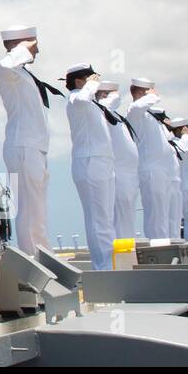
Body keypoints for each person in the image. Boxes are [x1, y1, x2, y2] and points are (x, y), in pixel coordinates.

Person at [0, 25, 59, 255]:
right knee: (30, 209)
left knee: (37, 209)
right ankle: (36, 260)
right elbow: (4, 65)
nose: (37, 51)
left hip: (34, 147)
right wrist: (23, 48)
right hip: (23, 145)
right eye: (34, 45)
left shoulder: (23, 74)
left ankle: (41, 257)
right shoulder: (8, 72)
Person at [63, 63, 116, 270]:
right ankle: (103, 268)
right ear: (79, 80)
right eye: (91, 77)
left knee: (106, 218)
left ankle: (109, 265)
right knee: (98, 219)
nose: (96, 81)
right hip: (90, 162)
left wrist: (94, 84)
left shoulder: (91, 102)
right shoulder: (76, 98)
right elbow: (84, 97)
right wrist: (92, 84)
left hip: (102, 161)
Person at [126, 77, 179, 238]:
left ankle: (165, 248)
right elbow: (138, 106)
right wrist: (151, 96)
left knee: (163, 216)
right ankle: (159, 251)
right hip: (150, 170)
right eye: (147, 91)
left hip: (161, 171)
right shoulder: (135, 112)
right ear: (140, 92)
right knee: (156, 217)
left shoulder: (149, 116)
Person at [97, 81, 140, 239]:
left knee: (128, 215)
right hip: (119, 172)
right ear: (103, 95)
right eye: (114, 93)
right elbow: (104, 107)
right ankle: (123, 253)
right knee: (121, 215)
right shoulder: (103, 111)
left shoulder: (114, 114)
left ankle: (128, 249)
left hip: (129, 174)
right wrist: (106, 99)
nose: (118, 96)